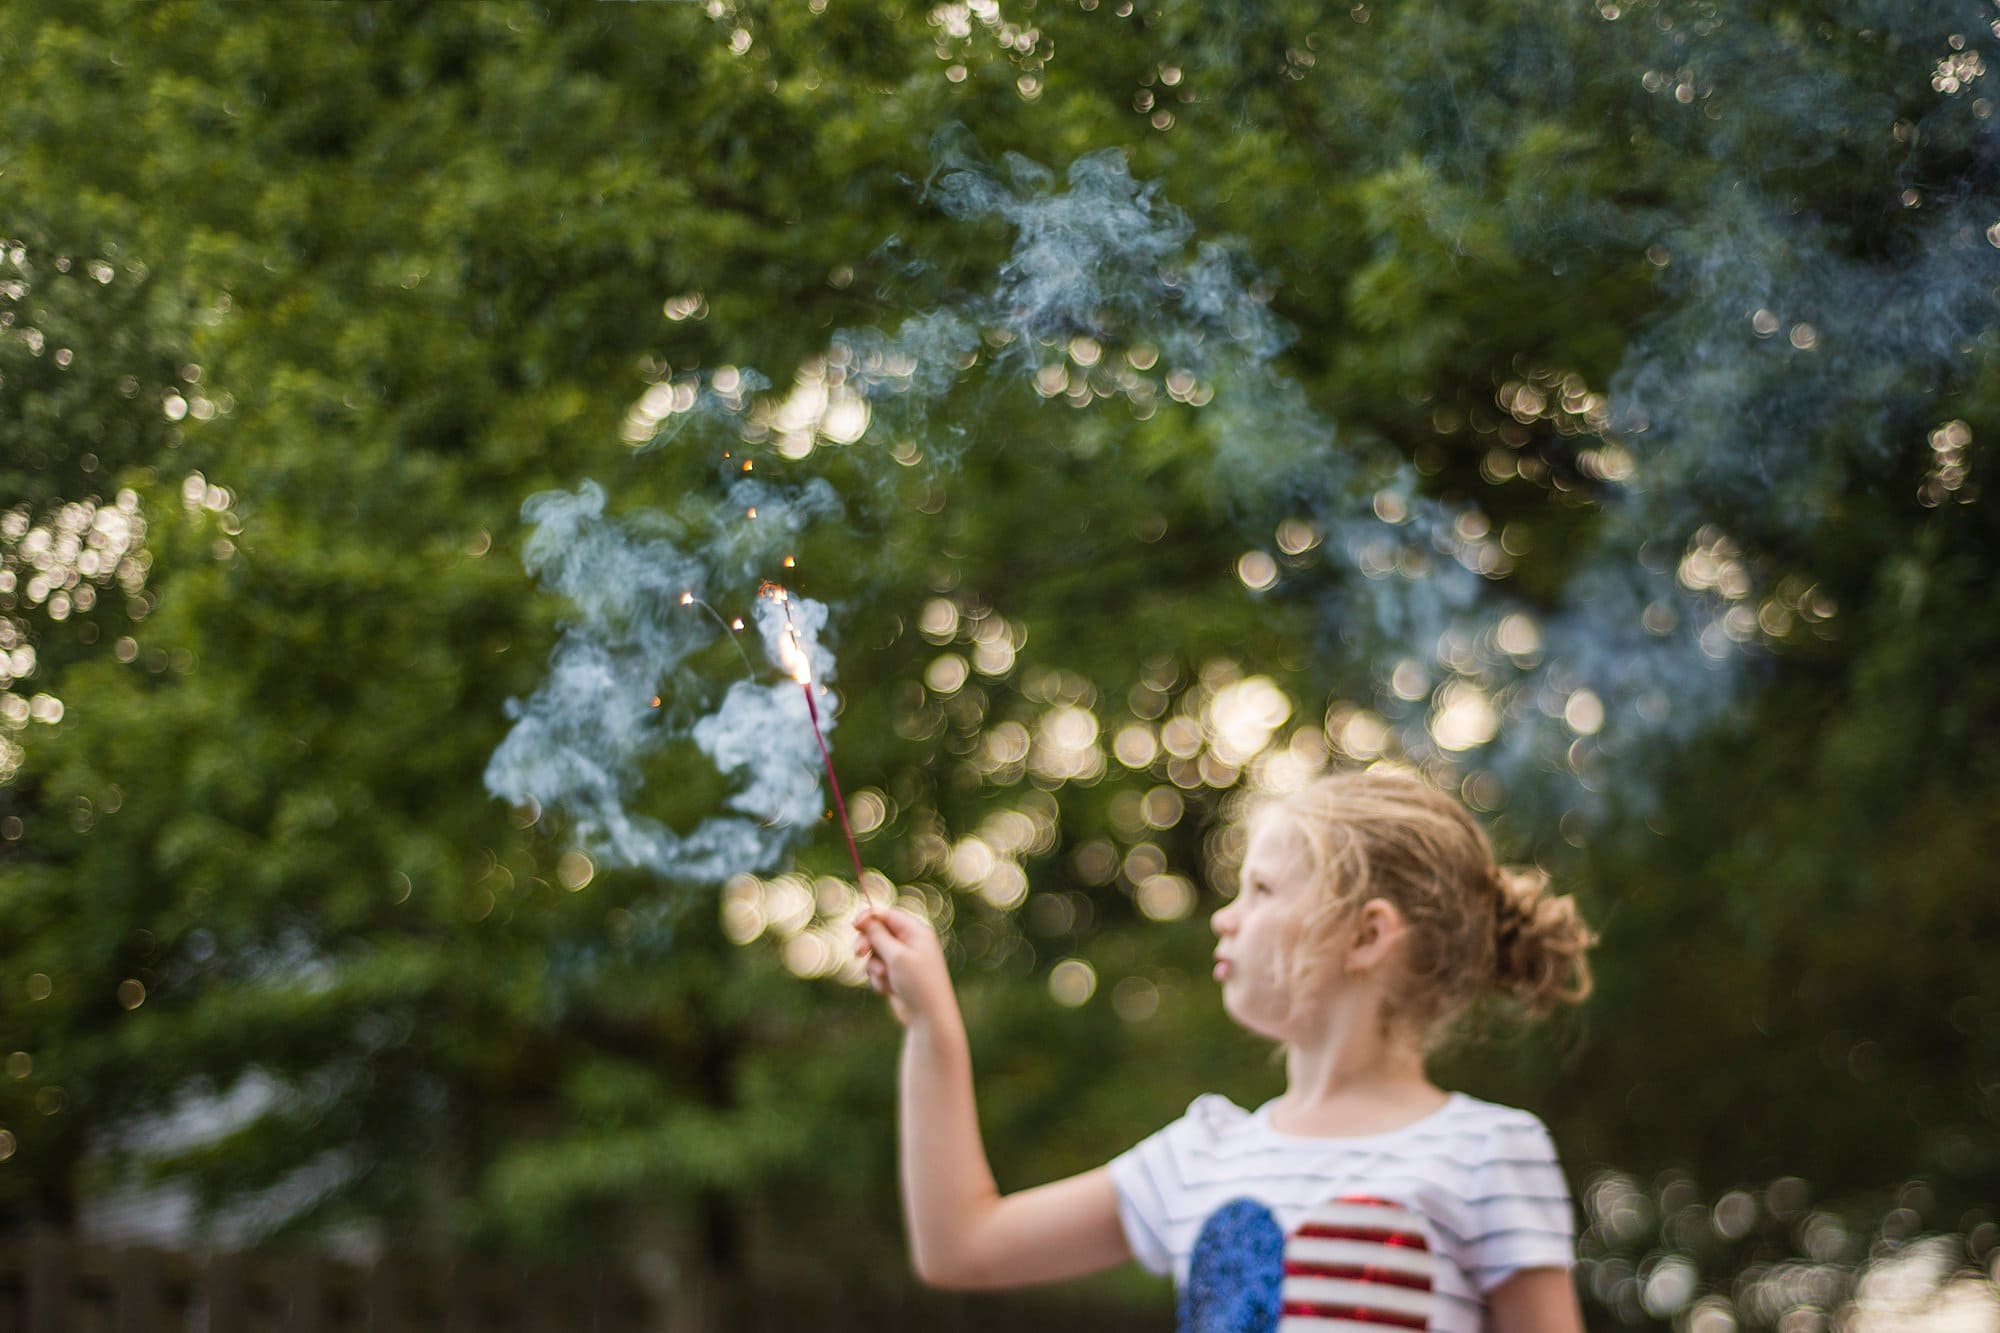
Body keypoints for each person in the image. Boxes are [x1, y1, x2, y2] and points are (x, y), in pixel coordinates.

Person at [852, 766, 1597, 1333]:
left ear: (1365, 935)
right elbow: (961, 1245)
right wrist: (931, 1028)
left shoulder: (1489, 1152)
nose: (1226, 919)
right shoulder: (1200, 1155)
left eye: (1262, 890)